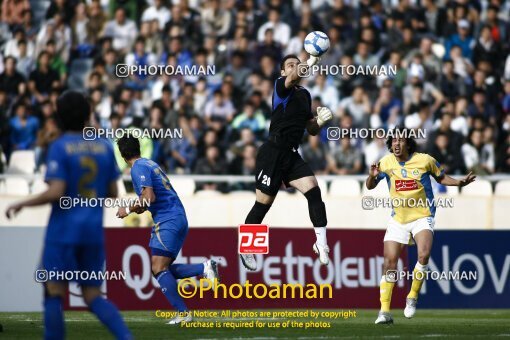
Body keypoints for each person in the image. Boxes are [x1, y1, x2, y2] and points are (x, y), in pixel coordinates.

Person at [5, 91, 132, 339]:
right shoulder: (104, 147)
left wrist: (22, 203)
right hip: (93, 234)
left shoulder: (60, 147)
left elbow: (57, 190)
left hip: (63, 233)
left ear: (60, 116)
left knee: (53, 291)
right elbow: (113, 193)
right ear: (87, 115)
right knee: (92, 295)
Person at [366, 126, 475, 325]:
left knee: (423, 254)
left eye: (400, 140)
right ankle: (384, 312)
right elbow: (370, 186)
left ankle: (413, 296)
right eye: (394, 141)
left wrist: (460, 183)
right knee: (389, 263)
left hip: (423, 216)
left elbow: (441, 177)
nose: (396, 144)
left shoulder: (425, 160)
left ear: (408, 142)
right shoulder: (386, 162)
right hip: (398, 219)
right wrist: (372, 176)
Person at [240, 54, 333, 271]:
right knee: (263, 204)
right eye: (290, 65)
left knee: (314, 191)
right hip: (272, 151)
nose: (295, 67)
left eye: (297, 64)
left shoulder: (305, 95)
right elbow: (293, 78)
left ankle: (321, 243)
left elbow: (309, 129)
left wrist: (319, 121)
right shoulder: (281, 86)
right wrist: (308, 62)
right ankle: (247, 248)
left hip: (291, 153)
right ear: (283, 72)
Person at [116, 135, 219, 325]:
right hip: (176, 216)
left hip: (167, 219)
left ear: (122, 155)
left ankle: (184, 311)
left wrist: (127, 209)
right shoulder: (150, 163)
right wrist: (137, 206)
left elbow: (149, 197)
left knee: (158, 268)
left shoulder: (138, 167)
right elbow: (147, 202)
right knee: (162, 269)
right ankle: (203, 268)